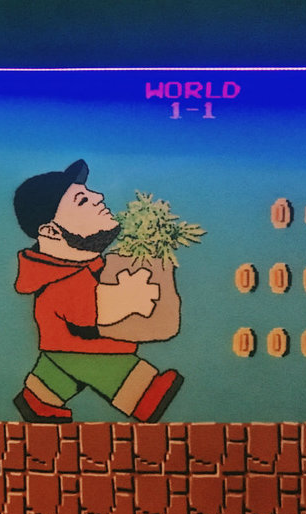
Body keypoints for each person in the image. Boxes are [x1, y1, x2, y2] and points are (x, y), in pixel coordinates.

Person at [12, 159, 182, 423]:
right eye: (82, 201)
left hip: (64, 348)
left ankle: (39, 399)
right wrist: (132, 298)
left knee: (58, 373)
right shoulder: (63, 280)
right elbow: (95, 312)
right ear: (51, 231)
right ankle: (145, 396)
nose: (98, 197)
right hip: (85, 349)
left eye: (88, 192)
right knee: (109, 367)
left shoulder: (81, 266)